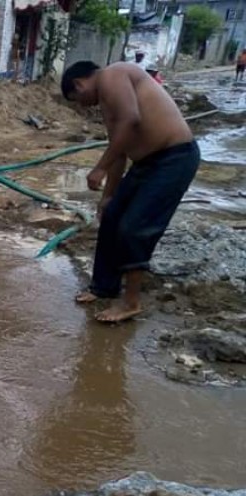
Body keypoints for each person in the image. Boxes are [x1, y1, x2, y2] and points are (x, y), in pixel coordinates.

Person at [61, 61, 200, 323]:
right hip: (146, 163)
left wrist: (99, 169)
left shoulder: (112, 75)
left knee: (135, 227)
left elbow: (131, 119)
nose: (81, 105)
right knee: (112, 216)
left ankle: (131, 302)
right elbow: (120, 149)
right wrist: (107, 197)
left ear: (80, 83)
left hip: (174, 159)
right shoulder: (107, 102)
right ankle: (103, 287)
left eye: (76, 98)